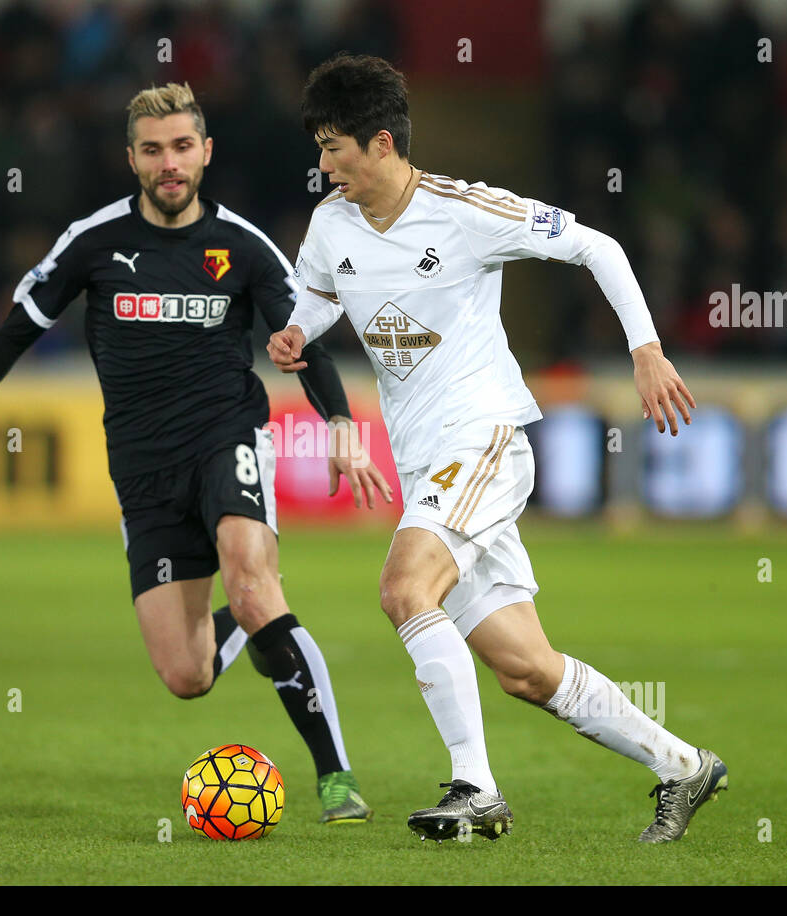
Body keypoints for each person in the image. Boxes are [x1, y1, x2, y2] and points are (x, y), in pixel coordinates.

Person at [0, 82, 392, 824]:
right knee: (187, 674)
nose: (171, 163)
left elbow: (304, 341)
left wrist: (342, 426)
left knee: (254, 580)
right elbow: (15, 333)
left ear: (206, 153)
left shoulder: (242, 246)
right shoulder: (94, 242)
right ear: (132, 158)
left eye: (183, 147)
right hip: (142, 472)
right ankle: (260, 624)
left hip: (228, 437)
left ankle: (336, 777)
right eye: (155, 150)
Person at [268, 55, 726, 842]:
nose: (323, 165)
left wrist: (646, 349)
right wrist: (298, 331)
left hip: (482, 438)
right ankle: (683, 765)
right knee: (526, 668)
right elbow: (318, 293)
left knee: (404, 586)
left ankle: (475, 787)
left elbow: (598, 247)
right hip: (428, 462)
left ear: (381, 143)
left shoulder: (466, 211)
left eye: (334, 147)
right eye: (318, 146)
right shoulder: (332, 223)